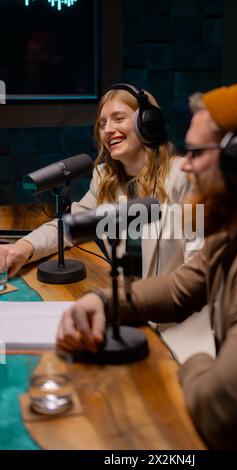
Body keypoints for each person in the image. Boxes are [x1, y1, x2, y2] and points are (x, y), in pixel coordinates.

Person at [56, 82, 237, 449]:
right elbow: (180, 286)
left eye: (197, 153)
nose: (185, 165)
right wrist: (104, 302)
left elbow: (223, 412)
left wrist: (194, 363)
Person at [0, 83, 211, 360]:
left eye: (119, 118)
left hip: (182, 329)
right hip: (129, 319)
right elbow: (70, 226)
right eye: (102, 123)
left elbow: (199, 274)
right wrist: (22, 248)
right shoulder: (105, 179)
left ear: (149, 123)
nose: (108, 129)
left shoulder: (184, 179)